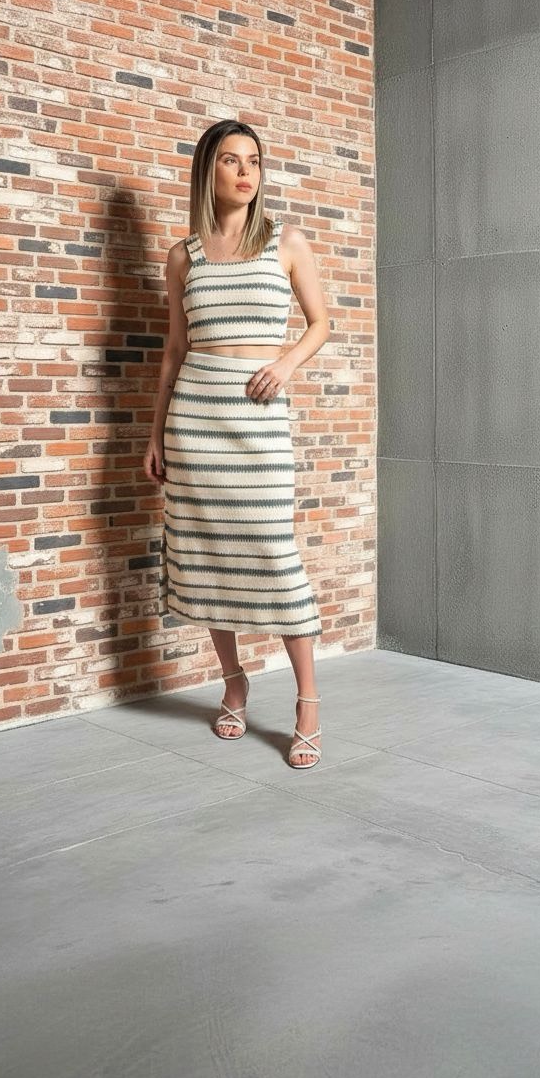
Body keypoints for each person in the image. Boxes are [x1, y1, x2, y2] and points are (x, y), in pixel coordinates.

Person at [144, 119, 330, 768]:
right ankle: (233, 683)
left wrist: (286, 364)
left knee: (274, 555)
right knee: (207, 554)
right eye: (231, 160)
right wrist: (155, 432)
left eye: (254, 160)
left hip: (257, 419)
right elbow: (174, 350)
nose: (246, 171)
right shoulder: (184, 256)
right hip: (195, 419)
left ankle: (308, 702)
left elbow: (321, 322)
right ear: (208, 170)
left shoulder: (286, 241)